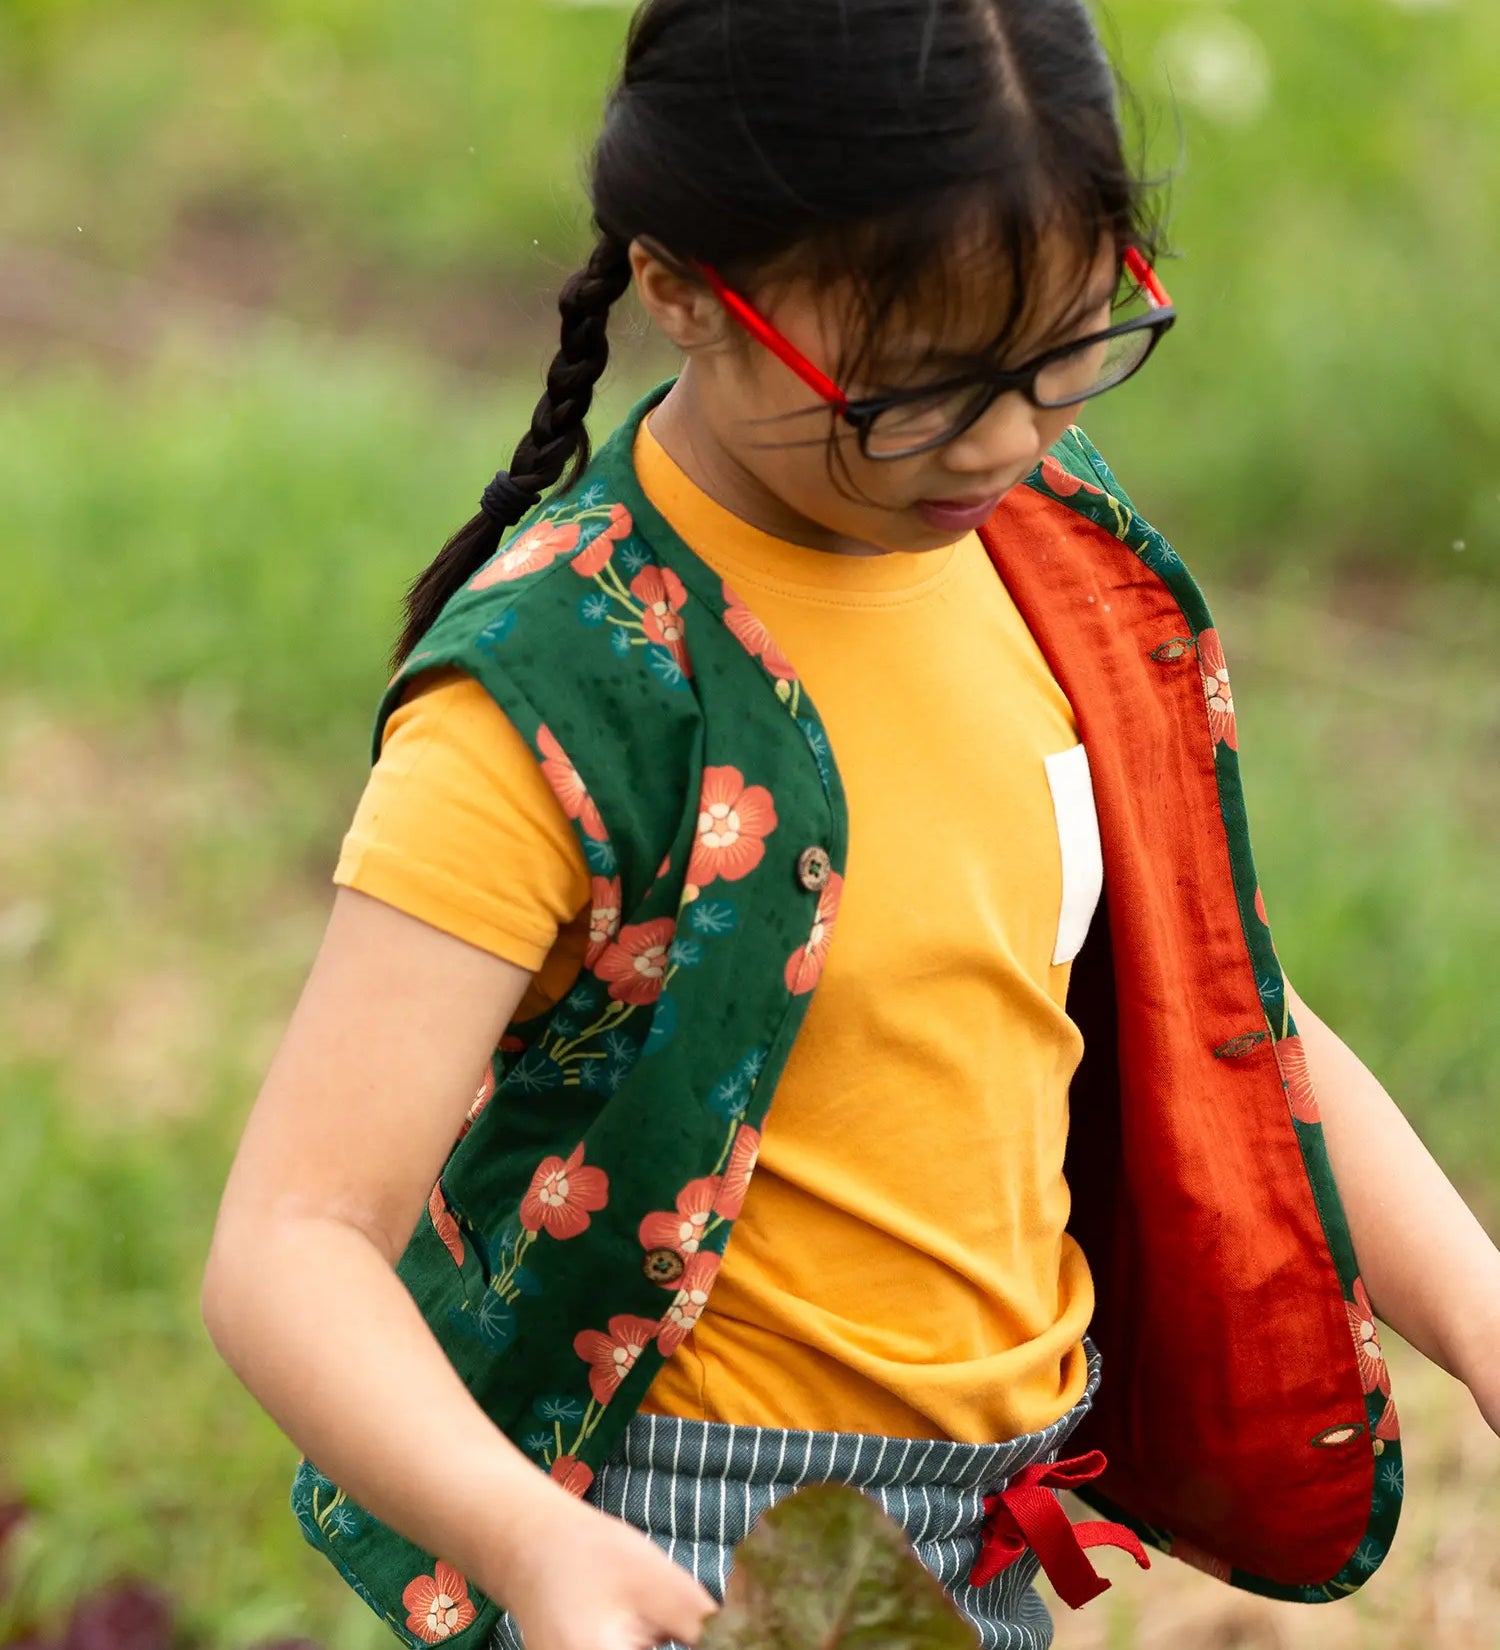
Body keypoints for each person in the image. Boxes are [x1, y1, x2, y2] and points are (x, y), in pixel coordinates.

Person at [200, 3, 1500, 1649]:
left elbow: (1223, 1012)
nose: (1004, 438)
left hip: (991, 1527)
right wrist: (532, 1541)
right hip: (693, 1545)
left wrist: (1478, 1308)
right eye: (916, 388)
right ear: (682, 287)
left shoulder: (1040, 557)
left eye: (1061, 352)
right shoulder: (567, 691)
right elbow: (291, 1241)